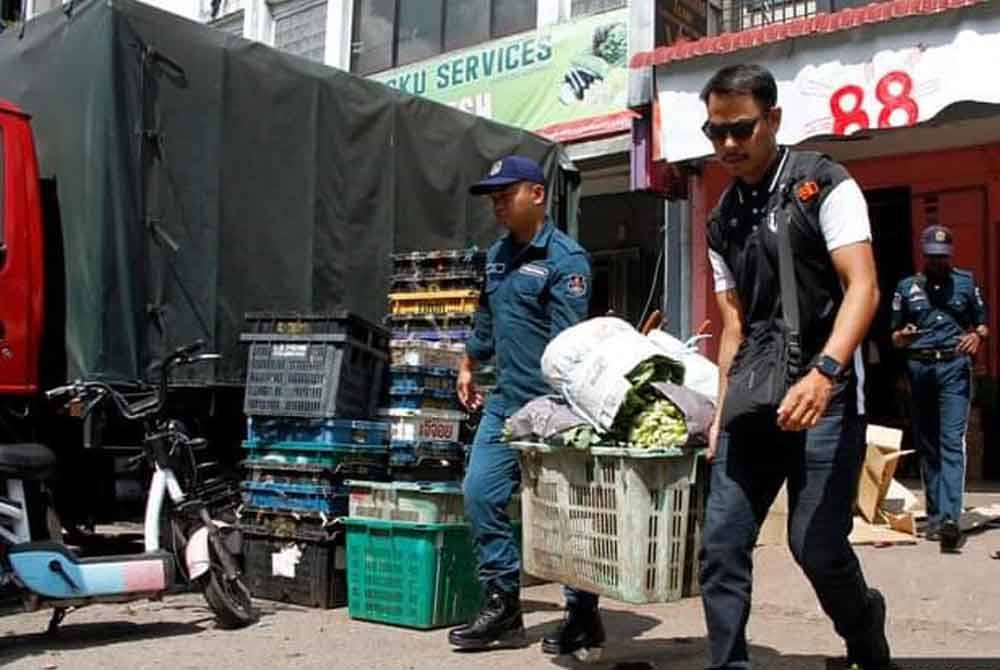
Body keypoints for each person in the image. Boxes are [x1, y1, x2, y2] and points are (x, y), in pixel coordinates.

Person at [700, 64, 892, 670]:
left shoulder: (823, 183)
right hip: (754, 401)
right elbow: (734, 325)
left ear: (773, 119)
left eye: (741, 129)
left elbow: (863, 286)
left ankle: (864, 628)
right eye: (715, 132)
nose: (728, 144)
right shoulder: (720, 218)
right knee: (721, 546)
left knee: (815, 545)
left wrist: (826, 372)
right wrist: (718, 408)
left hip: (825, 397)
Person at [447, 155, 604, 658]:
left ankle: (582, 614)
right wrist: (469, 362)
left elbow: (570, 345)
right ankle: (503, 605)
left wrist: (558, 409)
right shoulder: (496, 256)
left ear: (536, 194)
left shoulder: (565, 260)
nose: (496, 202)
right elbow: (488, 321)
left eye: (504, 193)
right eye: (491, 195)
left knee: (563, 513)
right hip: (505, 404)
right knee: (480, 494)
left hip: (556, 408)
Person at [890, 225, 988, 552]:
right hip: (919, 367)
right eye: (932, 257)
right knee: (928, 443)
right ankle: (933, 517)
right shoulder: (907, 287)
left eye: (942, 257)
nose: (938, 262)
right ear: (924, 254)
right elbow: (893, 335)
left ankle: (949, 518)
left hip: (953, 367)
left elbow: (982, 323)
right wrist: (902, 336)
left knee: (951, 441)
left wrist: (977, 336)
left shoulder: (966, 282)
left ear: (950, 255)